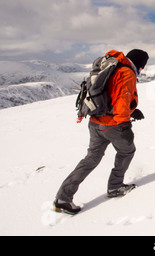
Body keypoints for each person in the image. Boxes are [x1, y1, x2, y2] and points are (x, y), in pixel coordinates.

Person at [54, 49, 149, 215]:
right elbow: (121, 99)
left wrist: (131, 110)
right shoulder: (127, 72)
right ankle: (115, 186)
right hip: (112, 124)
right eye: (142, 67)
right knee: (127, 150)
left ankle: (63, 198)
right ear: (139, 64)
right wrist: (125, 126)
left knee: (91, 159)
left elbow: (110, 94)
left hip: (95, 121)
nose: (141, 70)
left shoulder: (113, 67)